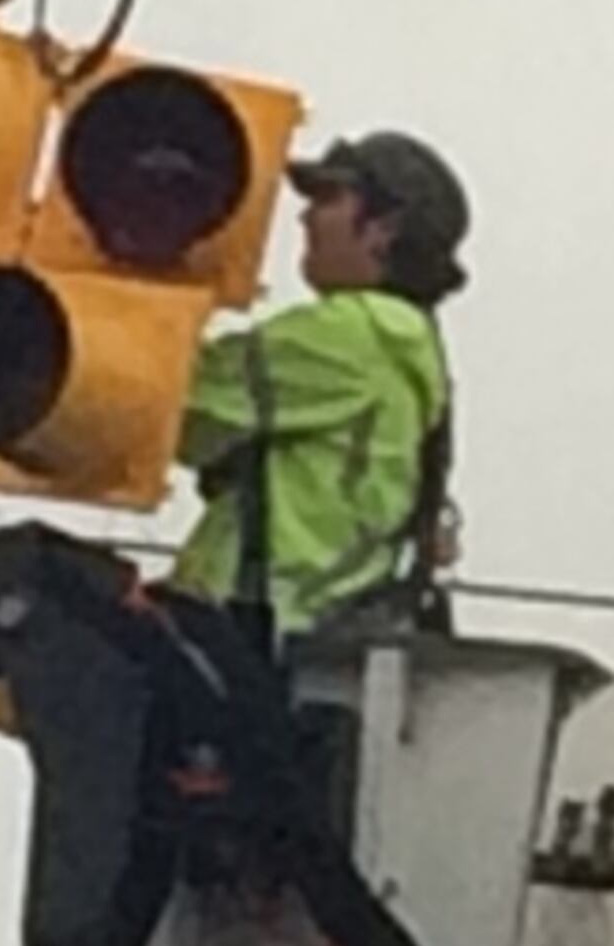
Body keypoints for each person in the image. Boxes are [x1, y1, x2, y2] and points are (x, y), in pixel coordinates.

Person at [164, 129, 469, 641]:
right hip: (292, 631)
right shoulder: (405, 344)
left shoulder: (357, 332)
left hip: (251, 630)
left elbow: (173, 404)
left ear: (382, 229)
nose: (305, 217)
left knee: (31, 596)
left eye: (329, 198)